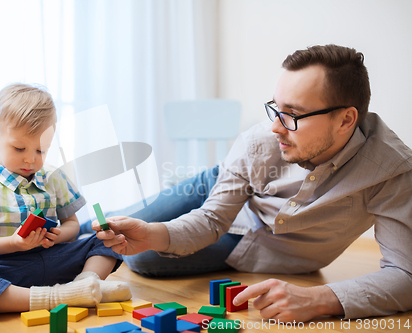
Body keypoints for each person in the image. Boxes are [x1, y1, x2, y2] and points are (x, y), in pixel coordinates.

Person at [91, 44, 412, 322]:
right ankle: (63, 229)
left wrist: (320, 299)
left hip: (273, 247)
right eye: (275, 107)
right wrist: (151, 231)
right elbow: (212, 219)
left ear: (346, 120)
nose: (274, 127)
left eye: (292, 114)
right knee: (123, 226)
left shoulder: (392, 171)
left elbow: (405, 276)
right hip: (227, 186)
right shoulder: (260, 141)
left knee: (141, 256)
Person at [0, 83, 131, 317]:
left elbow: (72, 225)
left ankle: (86, 282)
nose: (30, 160)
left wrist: (61, 234)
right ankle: (65, 296)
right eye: (19, 148)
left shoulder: (54, 177)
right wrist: (14, 243)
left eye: (41, 151)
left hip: (55, 259)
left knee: (107, 238)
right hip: (6, 271)